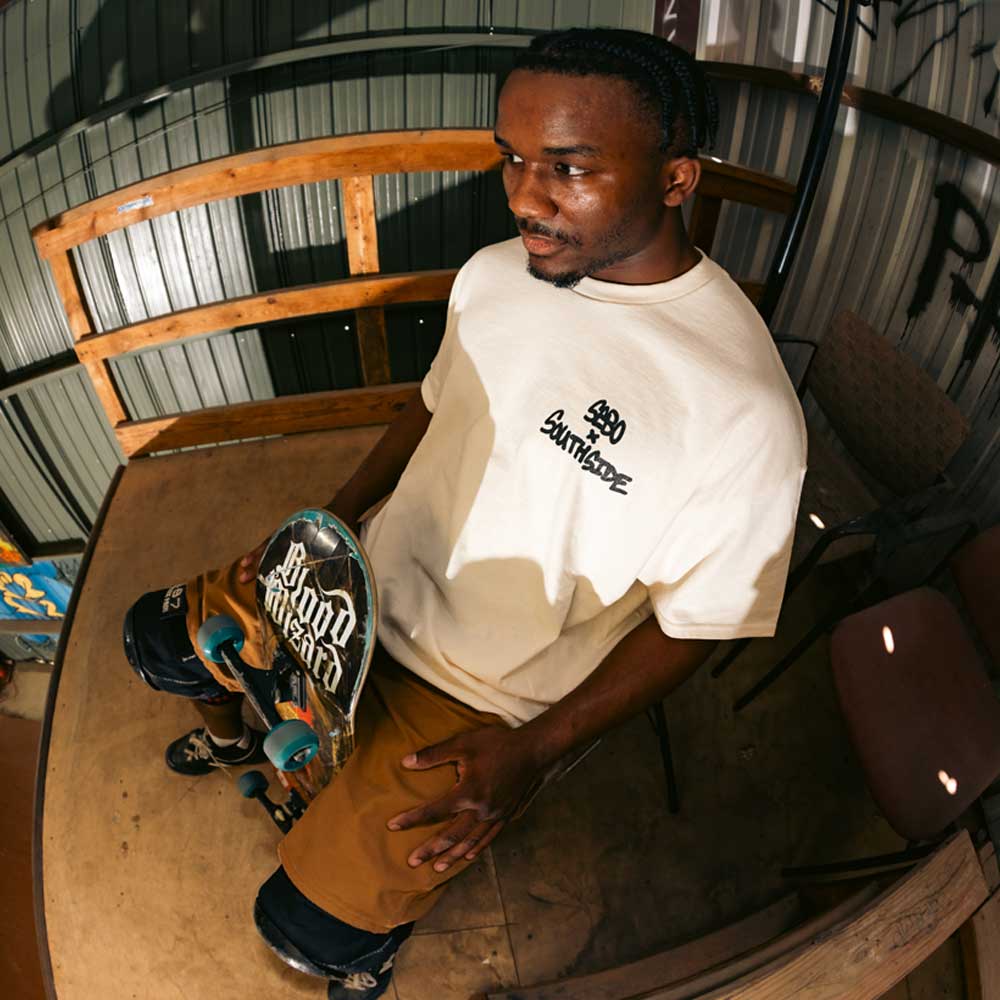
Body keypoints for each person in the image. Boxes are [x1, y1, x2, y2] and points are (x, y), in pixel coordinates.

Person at [122, 27, 806, 1000]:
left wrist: (534, 748)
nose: (526, 195)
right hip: (350, 589)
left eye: (567, 167)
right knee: (152, 641)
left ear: (674, 178)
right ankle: (243, 740)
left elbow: (696, 623)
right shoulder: (498, 272)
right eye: (512, 158)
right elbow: (436, 402)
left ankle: (362, 939)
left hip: (475, 698)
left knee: (302, 934)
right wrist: (328, 521)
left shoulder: (742, 412)